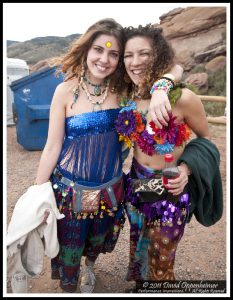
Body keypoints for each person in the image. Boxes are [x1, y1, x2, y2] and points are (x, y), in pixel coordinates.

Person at [34, 19, 183, 293]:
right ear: (86, 50)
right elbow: (52, 146)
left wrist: (162, 86)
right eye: (98, 50)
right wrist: (36, 191)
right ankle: (71, 281)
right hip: (71, 191)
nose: (104, 59)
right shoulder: (64, 91)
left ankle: (89, 268)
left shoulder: (126, 90)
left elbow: (176, 67)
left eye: (114, 54)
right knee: (70, 245)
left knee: (97, 240)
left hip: (111, 191)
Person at [115, 24, 223, 289]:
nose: (135, 62)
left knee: (162, 264)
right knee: (139, 249)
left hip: (170, 193)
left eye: (144, 54)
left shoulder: (184, 98)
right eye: (128, 55)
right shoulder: (128, 96)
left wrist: (185, 170)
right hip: (136, 187)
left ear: (159, 56)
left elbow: (206, 141)